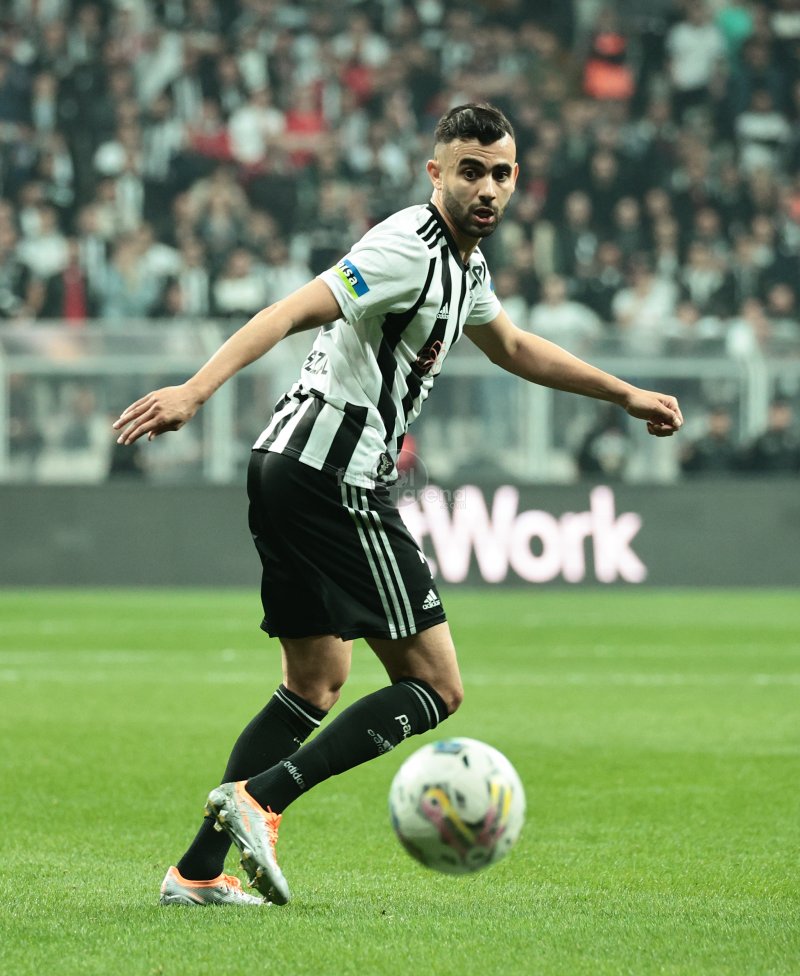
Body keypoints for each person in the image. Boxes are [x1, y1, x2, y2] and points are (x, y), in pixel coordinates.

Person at [113, 103, 683, 908]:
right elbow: (290, 311)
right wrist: (195, 391)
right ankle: (260, 799)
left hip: (286, 467)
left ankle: (198, 872)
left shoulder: (465, 268)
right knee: (435, 685)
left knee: (316, 680)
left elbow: (516, 347)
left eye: (501, 174)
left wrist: (623, 394)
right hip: (330, 472)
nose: (487, 188)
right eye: (471, 172)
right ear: (435, 172)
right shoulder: (405, 247)